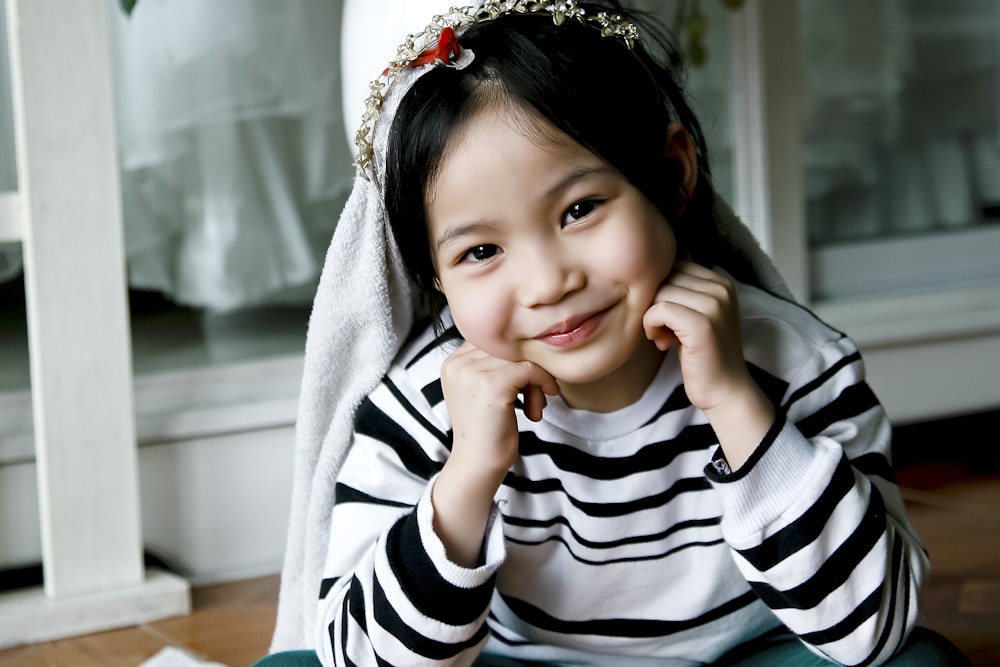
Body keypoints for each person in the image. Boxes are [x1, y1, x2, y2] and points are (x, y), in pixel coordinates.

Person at [261, 1, 972, 665]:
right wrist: (468, 475)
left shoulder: (794, 360)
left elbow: (873, 625)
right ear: (434, 277)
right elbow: (361, 656)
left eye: (580, 209)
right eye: (481, 251)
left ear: (670, 174)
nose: (547, 283)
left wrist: (735, 402)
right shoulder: (424, 404)